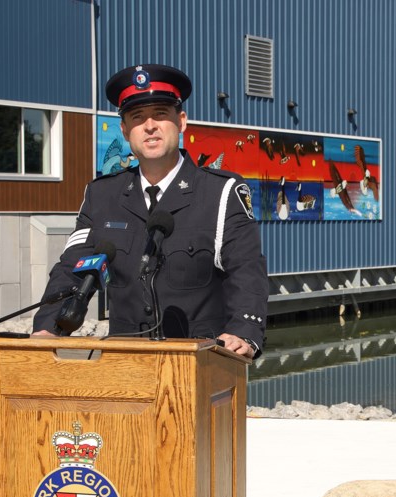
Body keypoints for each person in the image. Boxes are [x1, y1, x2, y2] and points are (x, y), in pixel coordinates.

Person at [32, 64, 267, 358]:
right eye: (137, 117)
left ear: (181, 121)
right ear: (125, 130)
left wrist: (244, 331)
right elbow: (72, 269)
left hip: (201, 363)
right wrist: (47, 327)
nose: (150, 125)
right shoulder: (102, 195)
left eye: (160, 114)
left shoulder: (222, 192)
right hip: (125, 364)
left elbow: (246, 271)